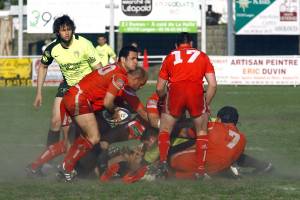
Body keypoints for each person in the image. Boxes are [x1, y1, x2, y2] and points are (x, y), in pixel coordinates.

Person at [57, 46, 147, 182]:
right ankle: (66, 169)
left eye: (137, 59)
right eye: (133, 58)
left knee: (78, 139)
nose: (136, 62)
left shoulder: (114, 69)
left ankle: (61, 168)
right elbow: (107, 102)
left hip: (73, 96)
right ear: (123, 59)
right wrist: (114, 112)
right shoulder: (120, 76)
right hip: (78, 98)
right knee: (94, 137)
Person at [29, 15, 102, 175]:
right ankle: (48, 162)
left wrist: (100, 90)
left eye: (69, 29)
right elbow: (42, 67)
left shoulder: (84, 44)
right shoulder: (52, 48)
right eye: (63, 30)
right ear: (57, 32)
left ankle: (83, 164)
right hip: (68, 87)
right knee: (56, 121)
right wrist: (39, 93)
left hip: (86, 88)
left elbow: (98, 68)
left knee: (79, 132)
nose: (67, 33)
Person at [156, 32, 217, 177]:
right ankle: (200, 170)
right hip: (195, 91)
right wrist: (205, 103)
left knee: (165, 129)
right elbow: (213, 85)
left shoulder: (170, 56)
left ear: (176, 45)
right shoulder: (202, 56)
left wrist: (165, 99)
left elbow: (159, 88)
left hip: (176, 91)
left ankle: (163, 164)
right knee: (201, 131)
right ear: (192, 44)